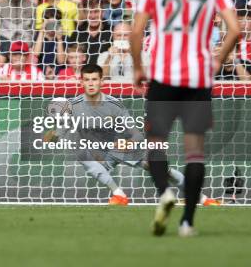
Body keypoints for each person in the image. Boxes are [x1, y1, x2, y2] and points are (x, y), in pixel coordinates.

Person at [130, 0, 240, 237]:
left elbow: (137, 32)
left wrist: (139, 67)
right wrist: (217, 61)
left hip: (164, 75)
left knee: (156, 145)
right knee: (194, 150)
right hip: (198, 77)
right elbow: (234, 30)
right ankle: (188, 223)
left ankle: (165, 190)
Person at [46, 64, 220, 206]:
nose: (91, 83)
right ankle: (118, 194)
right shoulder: (73, 106)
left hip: (121, 146)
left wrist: (124, 145)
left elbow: (136, 135)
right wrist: (51, 135)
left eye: (94, 79)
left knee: (161, 169)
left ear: (102, 82)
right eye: (87, 80)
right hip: (99, 155)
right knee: (81, 152)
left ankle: (199, 197)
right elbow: (60, 131)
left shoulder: (114, 105)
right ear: (81, 83)